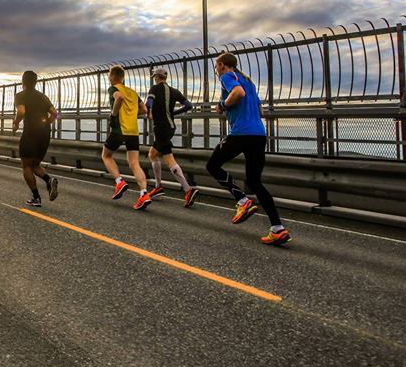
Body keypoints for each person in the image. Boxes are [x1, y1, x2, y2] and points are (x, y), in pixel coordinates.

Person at [205, 52, 291, 246]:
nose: (216, 70)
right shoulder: (248, 81)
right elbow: (259, 110)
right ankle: (278, 228)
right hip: (259, 135)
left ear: (222, 65)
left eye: (216, 66)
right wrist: (230, 107)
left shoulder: (228, 76)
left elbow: (238, 94)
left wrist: (222, 105)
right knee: (254, 181)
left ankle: (243, 201)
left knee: (212, 165)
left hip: (241, 133)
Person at [145, 67, 199, 207]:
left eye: (154, 77)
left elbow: (149, 102)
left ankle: (188, 190)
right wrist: (174, 114)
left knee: (169, 159)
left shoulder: (154, 89)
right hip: (170, 127)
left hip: (161, 129)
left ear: (157, 77)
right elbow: (188, 105)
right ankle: (158, 187)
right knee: (152, 154)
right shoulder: (174, 91)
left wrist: (149, 111)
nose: (154, 79)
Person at [101, 65, 152, 210]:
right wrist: (131, 116)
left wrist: (113, 114)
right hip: (133, 131)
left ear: (112, 76)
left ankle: (119, 181)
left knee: (106, 155)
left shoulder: (114, 88)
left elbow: (120, 98)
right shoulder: (132, 92)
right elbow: (143, 110)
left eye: (109, 76)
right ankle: (144, 194)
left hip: (119, 130)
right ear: (123, 77)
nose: (109, 78)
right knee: (134, 163)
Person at [13, 70, 59, 207]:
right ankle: (49, 181)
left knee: (26, 165)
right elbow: (55, 114)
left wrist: (16, 122)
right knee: (35, 165)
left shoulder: (20, 95)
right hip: (45, 134)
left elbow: (21, 111)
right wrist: (46, 123)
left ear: (23, 82)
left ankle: (36, 198)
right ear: (35, 82)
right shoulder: (42, 96)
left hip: (30, 133)